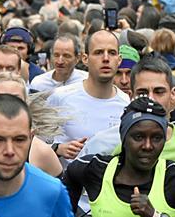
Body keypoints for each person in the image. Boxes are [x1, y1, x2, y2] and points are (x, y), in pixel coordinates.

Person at [46, 30, 129, 162]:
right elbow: (37, 145)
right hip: (66, 180)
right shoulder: (60, 97)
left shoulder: (126, 104)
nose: (106, 58)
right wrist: (58, 148)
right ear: (85, 59)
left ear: (119, 60)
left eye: (112, 53)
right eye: (99, 52)